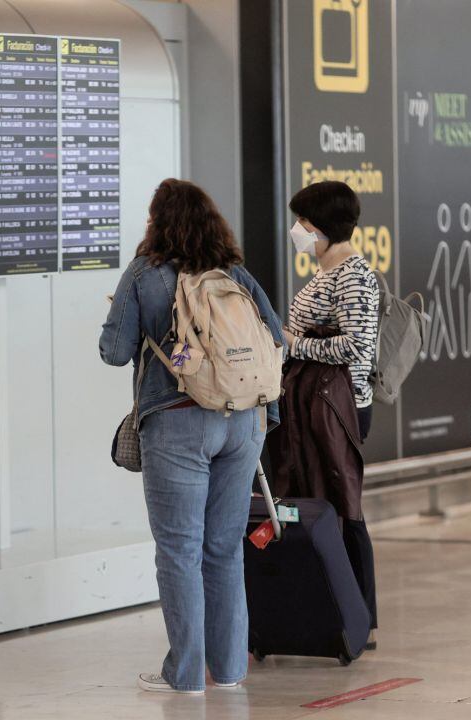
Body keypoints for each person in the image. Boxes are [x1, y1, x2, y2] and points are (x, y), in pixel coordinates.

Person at [100, 179, 284, 694]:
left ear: (157, 222)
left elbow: (113, 351)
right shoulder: (235, 274)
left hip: (179, 421)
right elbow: (277, 340)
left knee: (180, 550)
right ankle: (228, 672)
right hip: (245, 422)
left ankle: (185, 676)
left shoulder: (144, 273)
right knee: (224, 549)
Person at [280, 180, 380, 646]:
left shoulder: (353, 275)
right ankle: (334, 609)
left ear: (321, 227)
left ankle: (359, 615)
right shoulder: (328, 272)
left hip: (340, 409)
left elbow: (358, 347)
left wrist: (295, 343)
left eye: (302, 222)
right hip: (317, 405)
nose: (297, 230)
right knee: (325, 504)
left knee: (344, 508)